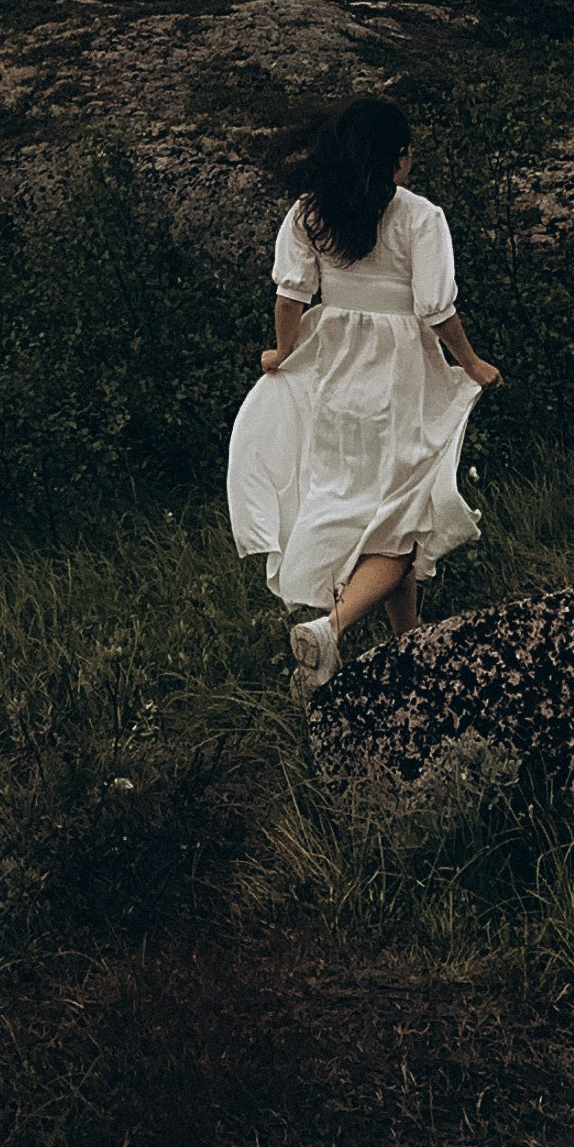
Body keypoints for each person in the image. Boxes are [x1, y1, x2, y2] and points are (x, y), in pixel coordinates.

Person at [227, 93, 502, 700]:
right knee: (404, 525)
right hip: (401, 379)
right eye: (407, 156)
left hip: (333, 374)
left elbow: (290, 297)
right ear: (394, 160)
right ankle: (330, 629)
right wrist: (474, 364)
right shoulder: (420, 217)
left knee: (373, 511)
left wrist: (285, 353)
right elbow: (437, 310)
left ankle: (411, 644)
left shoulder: (310, 213)